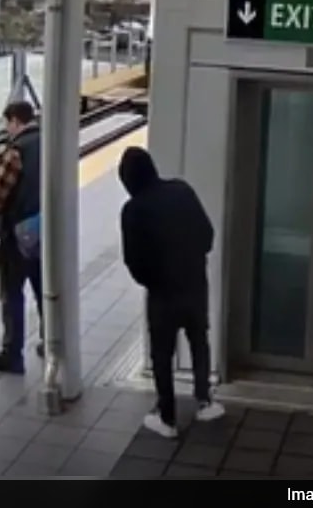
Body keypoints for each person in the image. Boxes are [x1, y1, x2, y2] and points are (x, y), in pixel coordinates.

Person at [118, 146, 225, 438]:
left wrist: (154, 279)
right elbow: (207, 235)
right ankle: (204, 401)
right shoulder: (181, 191)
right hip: (194, 285)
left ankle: (167, 417)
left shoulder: (133, 210)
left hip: (162, 295)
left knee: (162, 355)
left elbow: (134, 262)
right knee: (199, 340)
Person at [0, 101, 44, 374]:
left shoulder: (16, 151)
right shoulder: (49, 142)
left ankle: (12, 354)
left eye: (7, 123)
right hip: (45, 228)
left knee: (12, 294)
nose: (7, 130)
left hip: (17, 233)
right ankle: (51, 340)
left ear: (15, 121)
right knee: (44, 289)